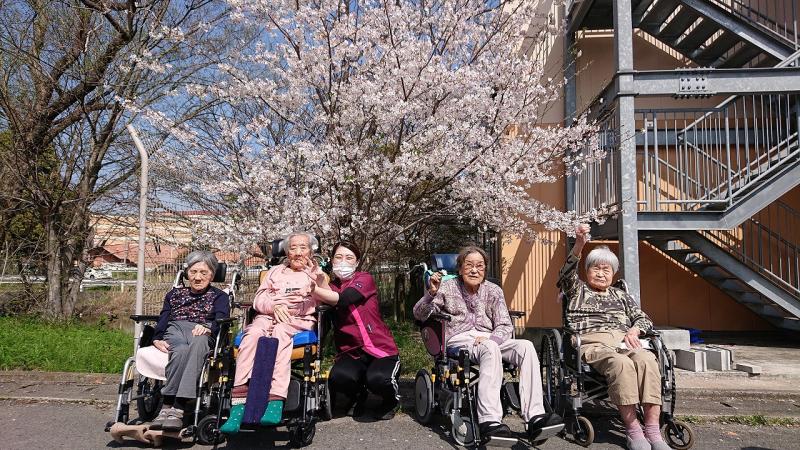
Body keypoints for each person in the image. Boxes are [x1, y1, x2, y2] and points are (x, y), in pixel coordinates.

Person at [413, 246, 563, 441]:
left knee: (525, 346)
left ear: (485, 270)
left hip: (489, 339)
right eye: (469, 265)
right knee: (490, 348)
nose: (474, 270)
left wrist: (492, 338)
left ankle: (535, 416)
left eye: (480, 266)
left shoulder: (493, 290)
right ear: (459, 269)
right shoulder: (445, 288)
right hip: (460, 338)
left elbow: (504, 324)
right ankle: (489, 420)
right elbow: (418, 314)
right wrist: (430, 294)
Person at [558, 224, 668, 450]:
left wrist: (634, 330)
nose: (601, 273)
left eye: (606, 269)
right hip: (592, 341)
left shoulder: (621, 295)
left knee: (647, 360)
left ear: (613, 273)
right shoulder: (577, 289)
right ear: (586, 271)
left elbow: (643, 318)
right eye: (595, 268)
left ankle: (653, 429)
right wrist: (579, 244)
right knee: (622, 364)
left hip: (623, 340)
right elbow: (566, 274)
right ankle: (633, 429)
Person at [220, 232, 338, 434]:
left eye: (303, 248)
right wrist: (273, 306)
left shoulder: (317, 273)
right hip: (267, 317)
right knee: (251, 335)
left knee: (280, 334)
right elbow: (258, 299)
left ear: (311, 251)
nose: (298, 252)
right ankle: (238, 406)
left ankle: (275, 400)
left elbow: (331, 298)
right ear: (286, 252)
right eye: (293, 248)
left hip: (298, 321)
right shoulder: (273, 272)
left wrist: (315, 284)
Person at [150, 251, 231, 431]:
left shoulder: (220, 296)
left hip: (203, 331)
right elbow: (164, 318)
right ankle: (166, 406)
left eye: (204, 272)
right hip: (176, 329)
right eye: (193, 272)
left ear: (212, 274)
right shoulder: (174, 294)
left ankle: (177, 406)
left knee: (199, 343)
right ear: (187, 273)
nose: (198, 277)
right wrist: (156, 338)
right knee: (180, 350)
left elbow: (222, 318)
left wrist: (209, 327)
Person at [327, 241, 401, 420]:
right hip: (351, 352)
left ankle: (390, 401)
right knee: (339, 376)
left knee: (378, 379)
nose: (343, 262)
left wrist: (316, 288)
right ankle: (359, 395)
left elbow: (346, 299)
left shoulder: (364, 279)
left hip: (380, 349)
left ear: (357, 262)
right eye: (338, 257)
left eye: (349, 258)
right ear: (331, 260)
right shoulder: (330, 288)